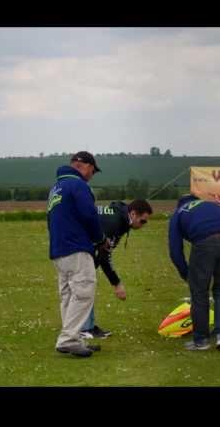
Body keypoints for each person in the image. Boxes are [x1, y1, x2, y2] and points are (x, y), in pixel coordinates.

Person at [47, 151, 108, 357]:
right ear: (85, 165)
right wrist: (100, 239)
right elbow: (89, 214)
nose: (92, 175)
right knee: (83, 293)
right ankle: (69, 339)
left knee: (69, 295)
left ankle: (75, 337)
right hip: (76, 247)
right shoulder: (78, 185)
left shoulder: (56, 188)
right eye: (93, 170)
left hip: (58, 249)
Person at [168, 194, 220, 351]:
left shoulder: (179, 213)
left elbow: (175, 251)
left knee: (199, 293)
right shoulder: (212, 205)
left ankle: (201, 340)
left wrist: (186, 274)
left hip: (204, 243)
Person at [79, 199, 154, 340]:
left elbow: (101, 253)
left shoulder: (119, 218)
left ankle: (86, 326)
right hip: (74, 246)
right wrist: (117, 284)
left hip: (81, 246)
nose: (143, 225)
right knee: (85, 285)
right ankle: (84, 328)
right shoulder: (115, 223)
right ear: (132, 214)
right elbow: (104, 256)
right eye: (142, 221)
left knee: (86, 282)